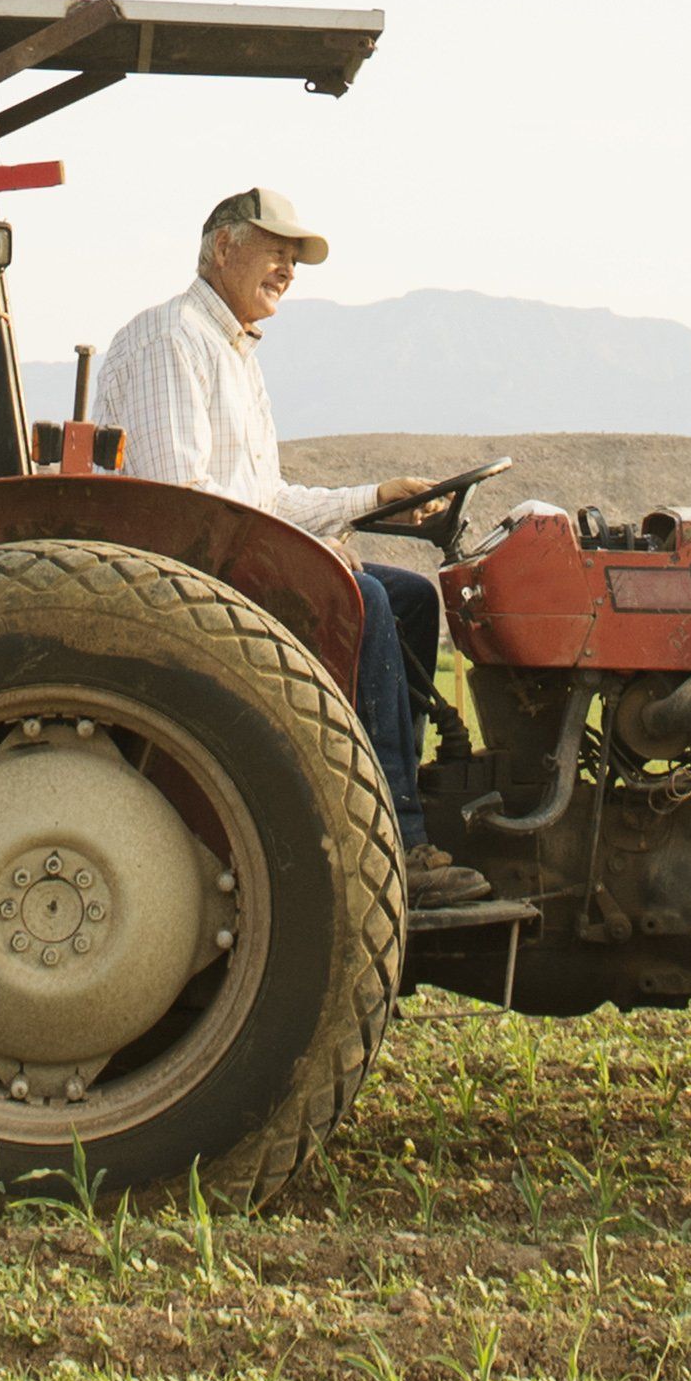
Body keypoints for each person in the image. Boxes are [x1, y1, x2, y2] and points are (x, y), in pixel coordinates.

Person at [91, 187, 497, 913]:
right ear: (223, 248)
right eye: (274, 251)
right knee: (363, 599)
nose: (287, 269)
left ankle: (403, 796)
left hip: (230, 553)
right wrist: (305, 553)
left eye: (294, 258)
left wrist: (373, 499)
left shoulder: (233, 353)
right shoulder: (172, 339)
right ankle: (395, 842)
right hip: (188, 573)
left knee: (405, 595)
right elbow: (181, 501)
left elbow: (264, 495)